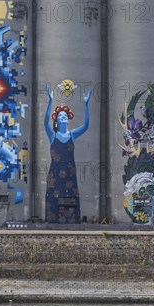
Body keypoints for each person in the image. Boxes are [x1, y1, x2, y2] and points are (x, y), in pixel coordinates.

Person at [44, 84, 91, 223]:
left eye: (65, 115)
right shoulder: (52, 135)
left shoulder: (72, 134)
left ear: (68, 119)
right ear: (57, 120)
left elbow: (86, 125)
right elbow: (45, 121)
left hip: (70, 174)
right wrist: (50, 101)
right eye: (60, 116)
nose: (63, 117)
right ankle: (52, 225)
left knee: (71, 200)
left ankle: (73, 224)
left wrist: (86, 104)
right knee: (54, 201)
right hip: (55, 174)